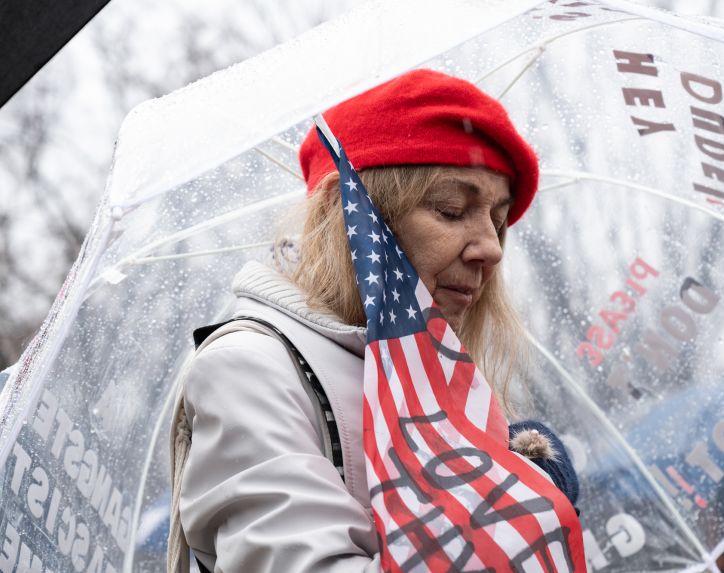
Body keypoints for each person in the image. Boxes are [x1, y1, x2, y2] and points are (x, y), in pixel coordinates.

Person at [167, 69, 578, 572]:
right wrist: (510, 537)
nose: (491, 248)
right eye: (451, 210)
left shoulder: (441, 380)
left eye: (496, 220)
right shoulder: (249, 371)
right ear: (353, 221)